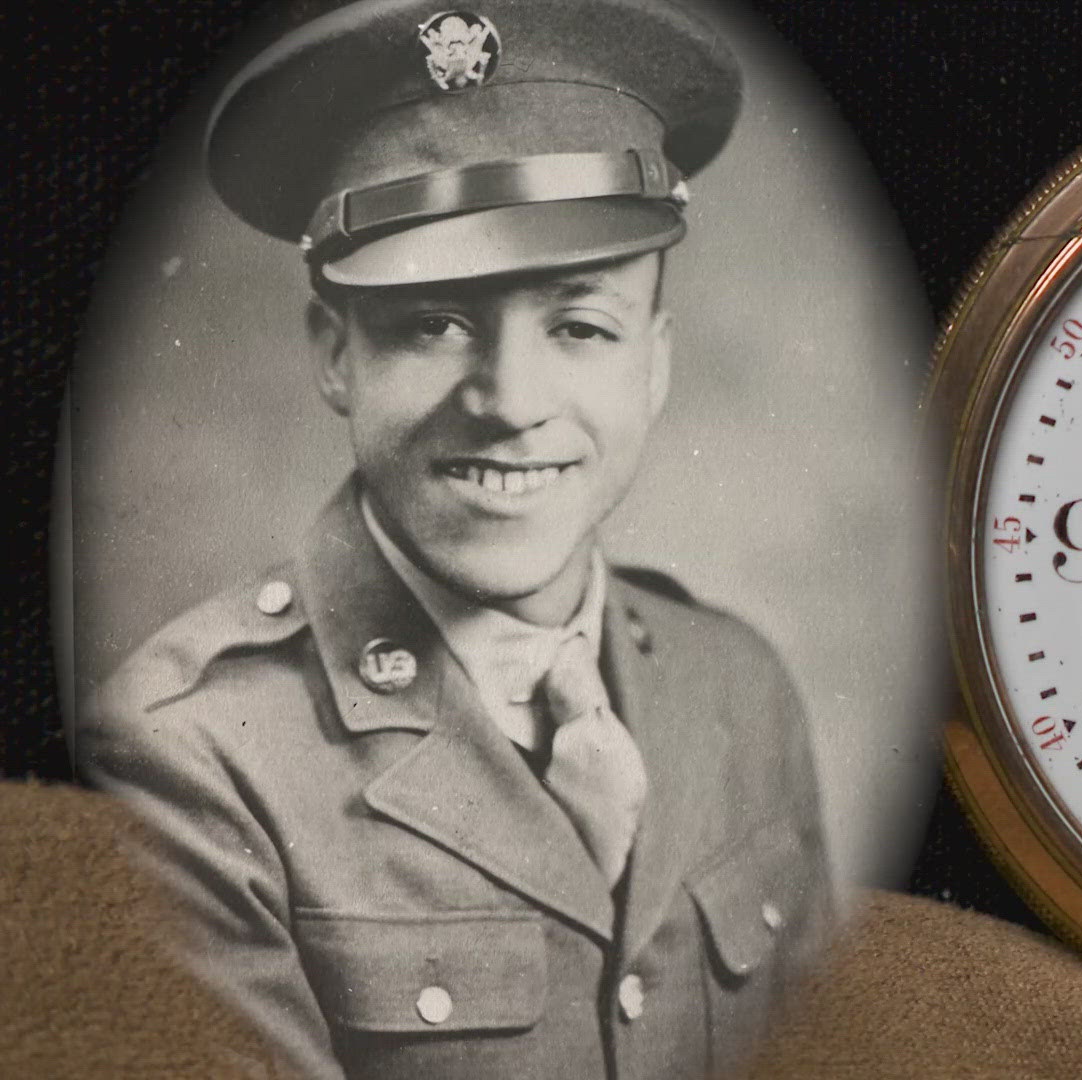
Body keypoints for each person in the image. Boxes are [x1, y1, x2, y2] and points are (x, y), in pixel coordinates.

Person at [73, 1, 832, 1077]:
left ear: (653, 364)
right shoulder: (190, 762)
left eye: (580, 326)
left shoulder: (739, 688)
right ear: (336, 354)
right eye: (434, 322)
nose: (511, 400)